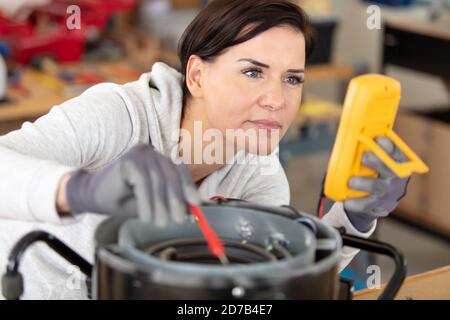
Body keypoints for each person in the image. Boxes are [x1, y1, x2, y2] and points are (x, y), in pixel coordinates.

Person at [0, 0, 409, 299]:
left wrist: (353, 218)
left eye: (293, 79)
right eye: (253, 72)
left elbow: (274, 278)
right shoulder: (122, 114)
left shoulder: (257, 169)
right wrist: (78, 191)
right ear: (196, 75)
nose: (277, 100)